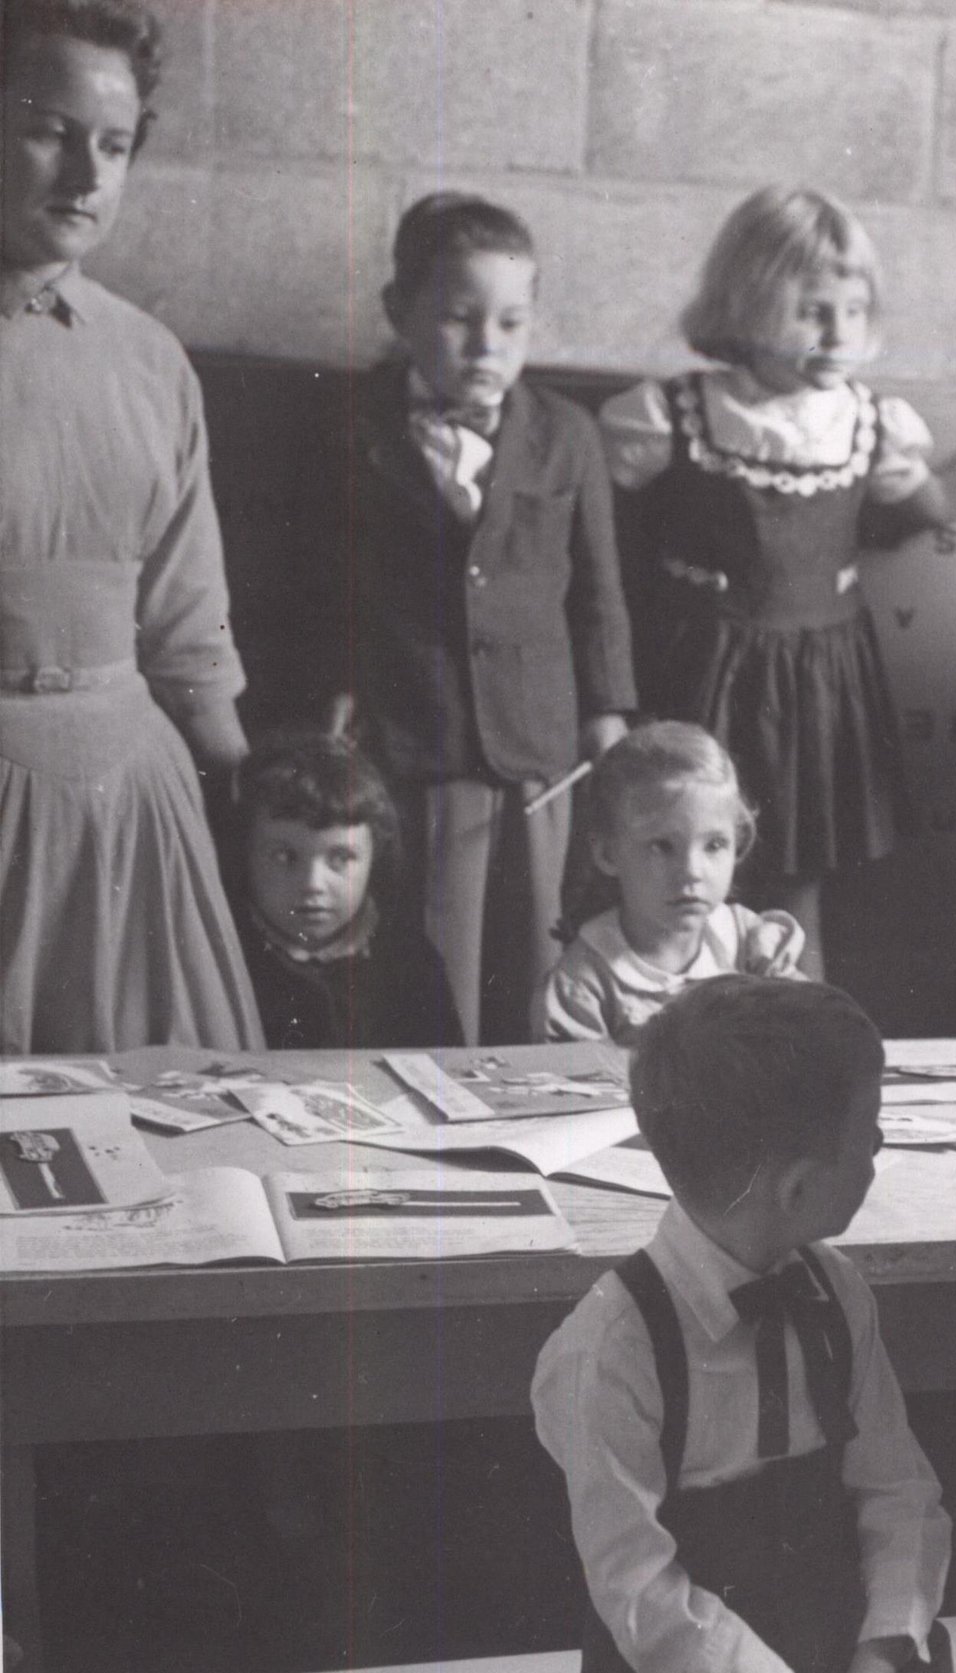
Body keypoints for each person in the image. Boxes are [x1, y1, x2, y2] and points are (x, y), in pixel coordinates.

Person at [604, 186, 956, 960]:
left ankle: (790, 1025)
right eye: (812, 312)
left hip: (816, 682)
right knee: (682, 857)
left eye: (855, 311)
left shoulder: (865, 422)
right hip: (699, 670)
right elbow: (603, 542)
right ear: (748, 303)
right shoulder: (672, 416)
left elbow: (927, 504)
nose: (838, 334)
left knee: (795, 878)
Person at [533, 975, 955, 1673]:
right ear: (797, 1188)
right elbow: (639, 1588)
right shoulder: (609, 1351)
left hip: (844, 1634)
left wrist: (876, 1662)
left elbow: (898, 1490)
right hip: (688, 1668)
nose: (879, 1150)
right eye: (871, 1135)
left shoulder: (839, 1292)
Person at [0, 0, 262, 1052]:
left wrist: (241, 786)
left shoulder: (150, 359)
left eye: (113, 145)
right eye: (50, 130)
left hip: (127, 811)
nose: (85, 173)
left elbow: (186, 609)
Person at [344, 191, 636, 1044]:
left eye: (511, 323)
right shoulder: (351, 425)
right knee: (430, 946)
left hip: (537, 748)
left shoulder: (566, 434)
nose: (486, 346)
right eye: (459, 319)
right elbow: (319, 584)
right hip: (411, 733)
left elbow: (598, 592)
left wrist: (607, 716)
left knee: (534, 946)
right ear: (400, 311)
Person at [538, 721, 807, 1044]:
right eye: (662, 846)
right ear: (608, 854)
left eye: (715, 845)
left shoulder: (754, 946)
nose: (692, 871)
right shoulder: (584, 983)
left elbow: (810, 1041)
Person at [230, 731, 459, 1049]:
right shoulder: (231, 958)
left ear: (373, 857)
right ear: (247, 854)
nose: (312, 883)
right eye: (284, 857)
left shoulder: (410, 964)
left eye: (340, 858)